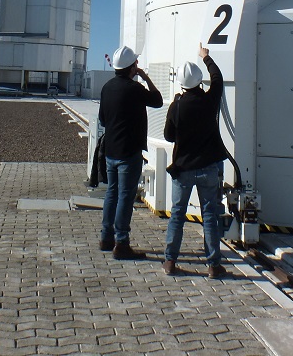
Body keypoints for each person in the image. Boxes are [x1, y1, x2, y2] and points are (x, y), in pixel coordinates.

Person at [161, 44, 228, 278]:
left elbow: (169, 136)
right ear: (200, 82)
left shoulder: (176, 106)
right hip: (208, 167)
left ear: (181, 83)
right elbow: (218, 79)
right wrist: (206, 58)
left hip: (183, 169)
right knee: (209, 215)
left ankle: (170, 262)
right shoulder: (210, 101)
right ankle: (213, 265)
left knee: (177, 215)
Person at [98, 45, 163, 260]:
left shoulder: (107, 87)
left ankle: (106, 238)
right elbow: (157, 100)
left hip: (111, 151)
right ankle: (122, 243)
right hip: (129, 153)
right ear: (132, 67)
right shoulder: (134, 89)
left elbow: (102, 120)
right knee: (125, 197)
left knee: (112, 193)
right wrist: (145, 78)